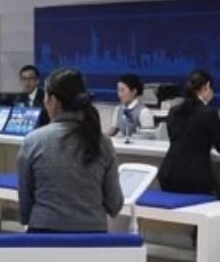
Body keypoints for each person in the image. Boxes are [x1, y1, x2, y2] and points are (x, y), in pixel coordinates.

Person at [17, 68, 123, 233]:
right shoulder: (103, 143)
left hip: (43, 234)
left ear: (53, 101)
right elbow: (114, 205)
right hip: (93, 236)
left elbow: (25, 204)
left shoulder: (33, 141)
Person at [157, 69, 220, 195]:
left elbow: (179, 139)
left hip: (168, 174)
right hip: (194, 178)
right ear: (206, 87)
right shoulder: (209, 113)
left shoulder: (174, 111)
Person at [106, 73, 154, 138]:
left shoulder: (144, 112)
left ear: (134, 91)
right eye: (118, 91)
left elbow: (149, 136)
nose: (119, 94)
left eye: (122, 91)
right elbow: (113, 130)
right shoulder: (118, 109)